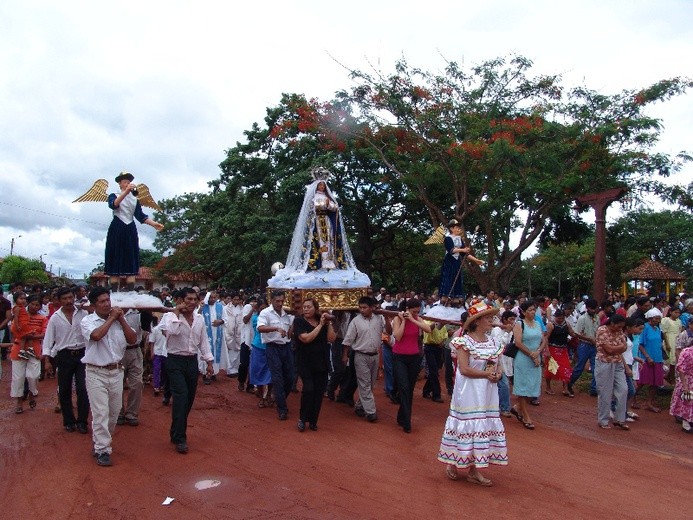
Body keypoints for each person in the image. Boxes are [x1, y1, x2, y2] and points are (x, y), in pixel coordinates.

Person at [437, 301, 507, 486]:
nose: (492, 321)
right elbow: (465, 369)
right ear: (477, 321)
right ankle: (454, 462)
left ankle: (474, 470)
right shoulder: (464, 342)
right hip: (468, 392)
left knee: (482, 426)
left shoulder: (493, 342)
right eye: (488, 318)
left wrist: (497, 374)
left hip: (487, 393)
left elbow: (497, 365)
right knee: (466, 425)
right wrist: (487, 374)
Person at [80, 287, 137, 466]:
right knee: (100, 413)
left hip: (117, 371)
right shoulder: (87, 321)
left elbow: (133, 339)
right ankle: (103, 449)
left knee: (113, 412)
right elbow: (96, 336)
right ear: (94, 304)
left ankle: (100, 443)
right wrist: (112, 318)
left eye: (108, 300)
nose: (107, 304)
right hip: (95, 372)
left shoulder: (121, 320)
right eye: (102, 301)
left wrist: (120, 319)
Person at [159, 288, 214, 454]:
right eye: (188, 299)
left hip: (192, 362)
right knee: (181, 396)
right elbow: (172, 331)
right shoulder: (168, 317)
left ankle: (176, 429)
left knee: (189, 399)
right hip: (174, 361)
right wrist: (176, 312)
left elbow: (203, 341)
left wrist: (209, 362)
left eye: (194, 299)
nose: (192, 302)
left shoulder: (199, 319)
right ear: (179, 300)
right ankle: (181, 438)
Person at [103, 172, 164, 289]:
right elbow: (114, 205)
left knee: (130, 256)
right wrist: (126, 192)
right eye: (124, 182)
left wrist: (154, 224)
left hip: (130, 228)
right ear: (120, 183)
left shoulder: (135, 200)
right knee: (115, 255)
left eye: (128, 182)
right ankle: (114, 290)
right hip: (117, 228)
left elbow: (141, 216)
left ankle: (130, 290)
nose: (127, 184)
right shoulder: (113, 195)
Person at [42, 287, 90, 433]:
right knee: (64, 389)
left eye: (70, 297)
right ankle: (69, 421)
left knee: (83, 388)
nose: (68, 301)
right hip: (64, 355)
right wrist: (47, 360)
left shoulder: (83, 313)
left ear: (74, 297)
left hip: (82, 354)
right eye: (65, 299)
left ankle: (82, 421)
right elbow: (48, 340)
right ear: (59, 301)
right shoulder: (55, 318)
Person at [342, 296, 391, 423]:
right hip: (360, 355)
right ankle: (371, 411)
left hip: (375, 355)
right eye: (360, 307)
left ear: (371, 308)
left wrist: (386, 317)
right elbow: (348, 340)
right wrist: (345, 355)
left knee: (370, 383)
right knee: (364, 383)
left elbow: (389, 332)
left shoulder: (379, 318)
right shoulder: (356, 321)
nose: (362, 310)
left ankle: (360, 406)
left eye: (364, 307)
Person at [293, 299, 336, 431]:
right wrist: (320, 326)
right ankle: (302, 419)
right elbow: (306, 339)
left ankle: (313, 421)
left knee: (318, 393)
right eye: (304, 307)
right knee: (308, 389)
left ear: (315, 308)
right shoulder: (299, 321)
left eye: (309, 307)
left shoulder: (322, 320)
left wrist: (328, 324)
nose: (306, 309)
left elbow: (331, 339)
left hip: (321, 363)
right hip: (305, 362)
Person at [391, 298, 431, 433]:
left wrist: (413, 320)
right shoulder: (398, 319)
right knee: (404, 387)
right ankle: (407, 421)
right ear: (407, 308)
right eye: (414, 310)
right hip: (399, 357)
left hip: (414, 357)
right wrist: (404, 321)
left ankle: (402, 416)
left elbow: (428, 330)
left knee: (410, 388)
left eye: (417, 311)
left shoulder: (417, 318)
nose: (416, 312)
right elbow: (397, 336)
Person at [257, 291, 295, 421]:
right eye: (277, 301)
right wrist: (275, 328)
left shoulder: (287, 313)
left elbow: (290, 331)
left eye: (281, 301)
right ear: (271, 300)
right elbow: (260, 328)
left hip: (286, 347)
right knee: (277, 377)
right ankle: (282, 409)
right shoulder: (265, 313)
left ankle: (279, 398)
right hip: (272, 348)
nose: (280, 303)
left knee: (291, 376)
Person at [10, 293, 47, 414]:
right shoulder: (19, 313)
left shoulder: (43, 318)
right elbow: (14, 330)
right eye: (32, 304)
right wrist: (28, 334)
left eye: (37, 305)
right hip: (18, 349)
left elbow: (44, 334)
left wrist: (30, 335)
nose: (34, 307)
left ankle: (32, 393)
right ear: (28, 304)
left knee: (33, 375)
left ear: (40, 307)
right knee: (18, 378)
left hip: (34, 349)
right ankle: (19, 403)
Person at [510, 300, 544, 430]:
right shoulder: (519, 324)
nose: (533, 312)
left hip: (535, 358)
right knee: (523, 387)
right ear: (523, 312)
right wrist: (531, 354)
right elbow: (518, 343)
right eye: (530, 310)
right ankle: (525, 416)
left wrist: (538, 352)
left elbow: (543, 340)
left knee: (532, 386)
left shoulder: (537, 323)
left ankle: (517, 408)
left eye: (534, 309)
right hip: (523, 359)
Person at [594, 315, 629, 430]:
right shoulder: (602, 330)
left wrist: (615, 349)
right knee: (605, 392)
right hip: (604, 363)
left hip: (617, 362)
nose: (620, 329)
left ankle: (619, 419)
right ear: (612, 323)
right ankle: (603, 420)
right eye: (618, 326)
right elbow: (608, 349)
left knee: (623, 389)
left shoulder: (619, 332)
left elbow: (624, 347)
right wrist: (618, 348)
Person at [438, 219, 484, 303]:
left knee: (457, 278)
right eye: (456, 227)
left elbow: (465, 254)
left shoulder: (460, 239)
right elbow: (451, 250)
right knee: (449, 277)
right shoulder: (448, 238)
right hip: (449, 261)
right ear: (451, 229)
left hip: (457, 262)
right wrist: (463, 250)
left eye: (459, 228)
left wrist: (476, 260)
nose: (459, 229)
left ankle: (455, 297)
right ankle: (445, 296)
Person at [567, 298, 601, 397]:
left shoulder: (597, 318)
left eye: (595, 309)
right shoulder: (582, 319)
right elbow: (576, 333)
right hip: (584, 344)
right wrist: (589, 338)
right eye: (591, 309)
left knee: (596, 368)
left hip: (594, 345)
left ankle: (594, 389)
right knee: (579, 367)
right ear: (587, 308)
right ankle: (569, 383)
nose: (593, 311)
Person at [117, 308, 144, 426]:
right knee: (118, 383)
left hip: (135, 349)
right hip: (118, 351)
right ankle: (119, 412)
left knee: (137, 382)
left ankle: (132, 413)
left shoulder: (138, 312)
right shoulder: (112, 312)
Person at [544, 309, 577, 396]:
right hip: (552, 349)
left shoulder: (566, 324)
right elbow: (545, 338)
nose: (561, 320)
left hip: (563, 350)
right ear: (555, 317)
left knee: (566, 368)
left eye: (562, 318)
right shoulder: (550, 325)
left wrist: (577, 335)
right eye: (559, 318)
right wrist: (546, 350)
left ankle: (565, 388)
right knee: (551, 369)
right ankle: (548, 387)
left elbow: (572, 333)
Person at [638, 308, 665, 413]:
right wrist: (647, 357)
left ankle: (649, 402)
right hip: (647, 358)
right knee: (642, 382)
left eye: (659, 318)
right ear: (650, 318)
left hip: (657, 358)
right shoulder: (645, 328)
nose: (658, 320)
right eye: (656, 318)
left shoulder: (657, 329)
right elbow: (640, 344)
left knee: (655, 383)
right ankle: (632, 398)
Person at [249, 298, 272, 408]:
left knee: (270, 373)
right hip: (258, 347)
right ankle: (261, 396)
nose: (263, 310)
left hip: (270, 347)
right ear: (258, 309)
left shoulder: (271, 317)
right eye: (261, 309)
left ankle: (268, 396)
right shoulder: (255, 318)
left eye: (265, 308)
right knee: (258, 372)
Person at [200, 290, 225, 384]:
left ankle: (213, 372)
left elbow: (225, 319)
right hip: (206, 334)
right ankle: (206, 374)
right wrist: (200, 308)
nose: (213, 299)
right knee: (206, 351)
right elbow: (197, 316)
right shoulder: (203, 306)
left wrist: (220, 321)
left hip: (217, 334)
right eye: (211, 297)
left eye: (215, 297)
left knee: (215, 352)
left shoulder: (220, 306)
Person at [223, 292, 244, 381]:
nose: (236, 301)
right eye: (234, 299)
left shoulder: (241, 308)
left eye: (238, 299)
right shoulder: (226, 308)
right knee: (230, 349)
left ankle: (236, 369)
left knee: (238, 350)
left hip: (238, 332)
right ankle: (230, 370)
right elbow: (225, 319)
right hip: (229, 331)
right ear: (231, 299)